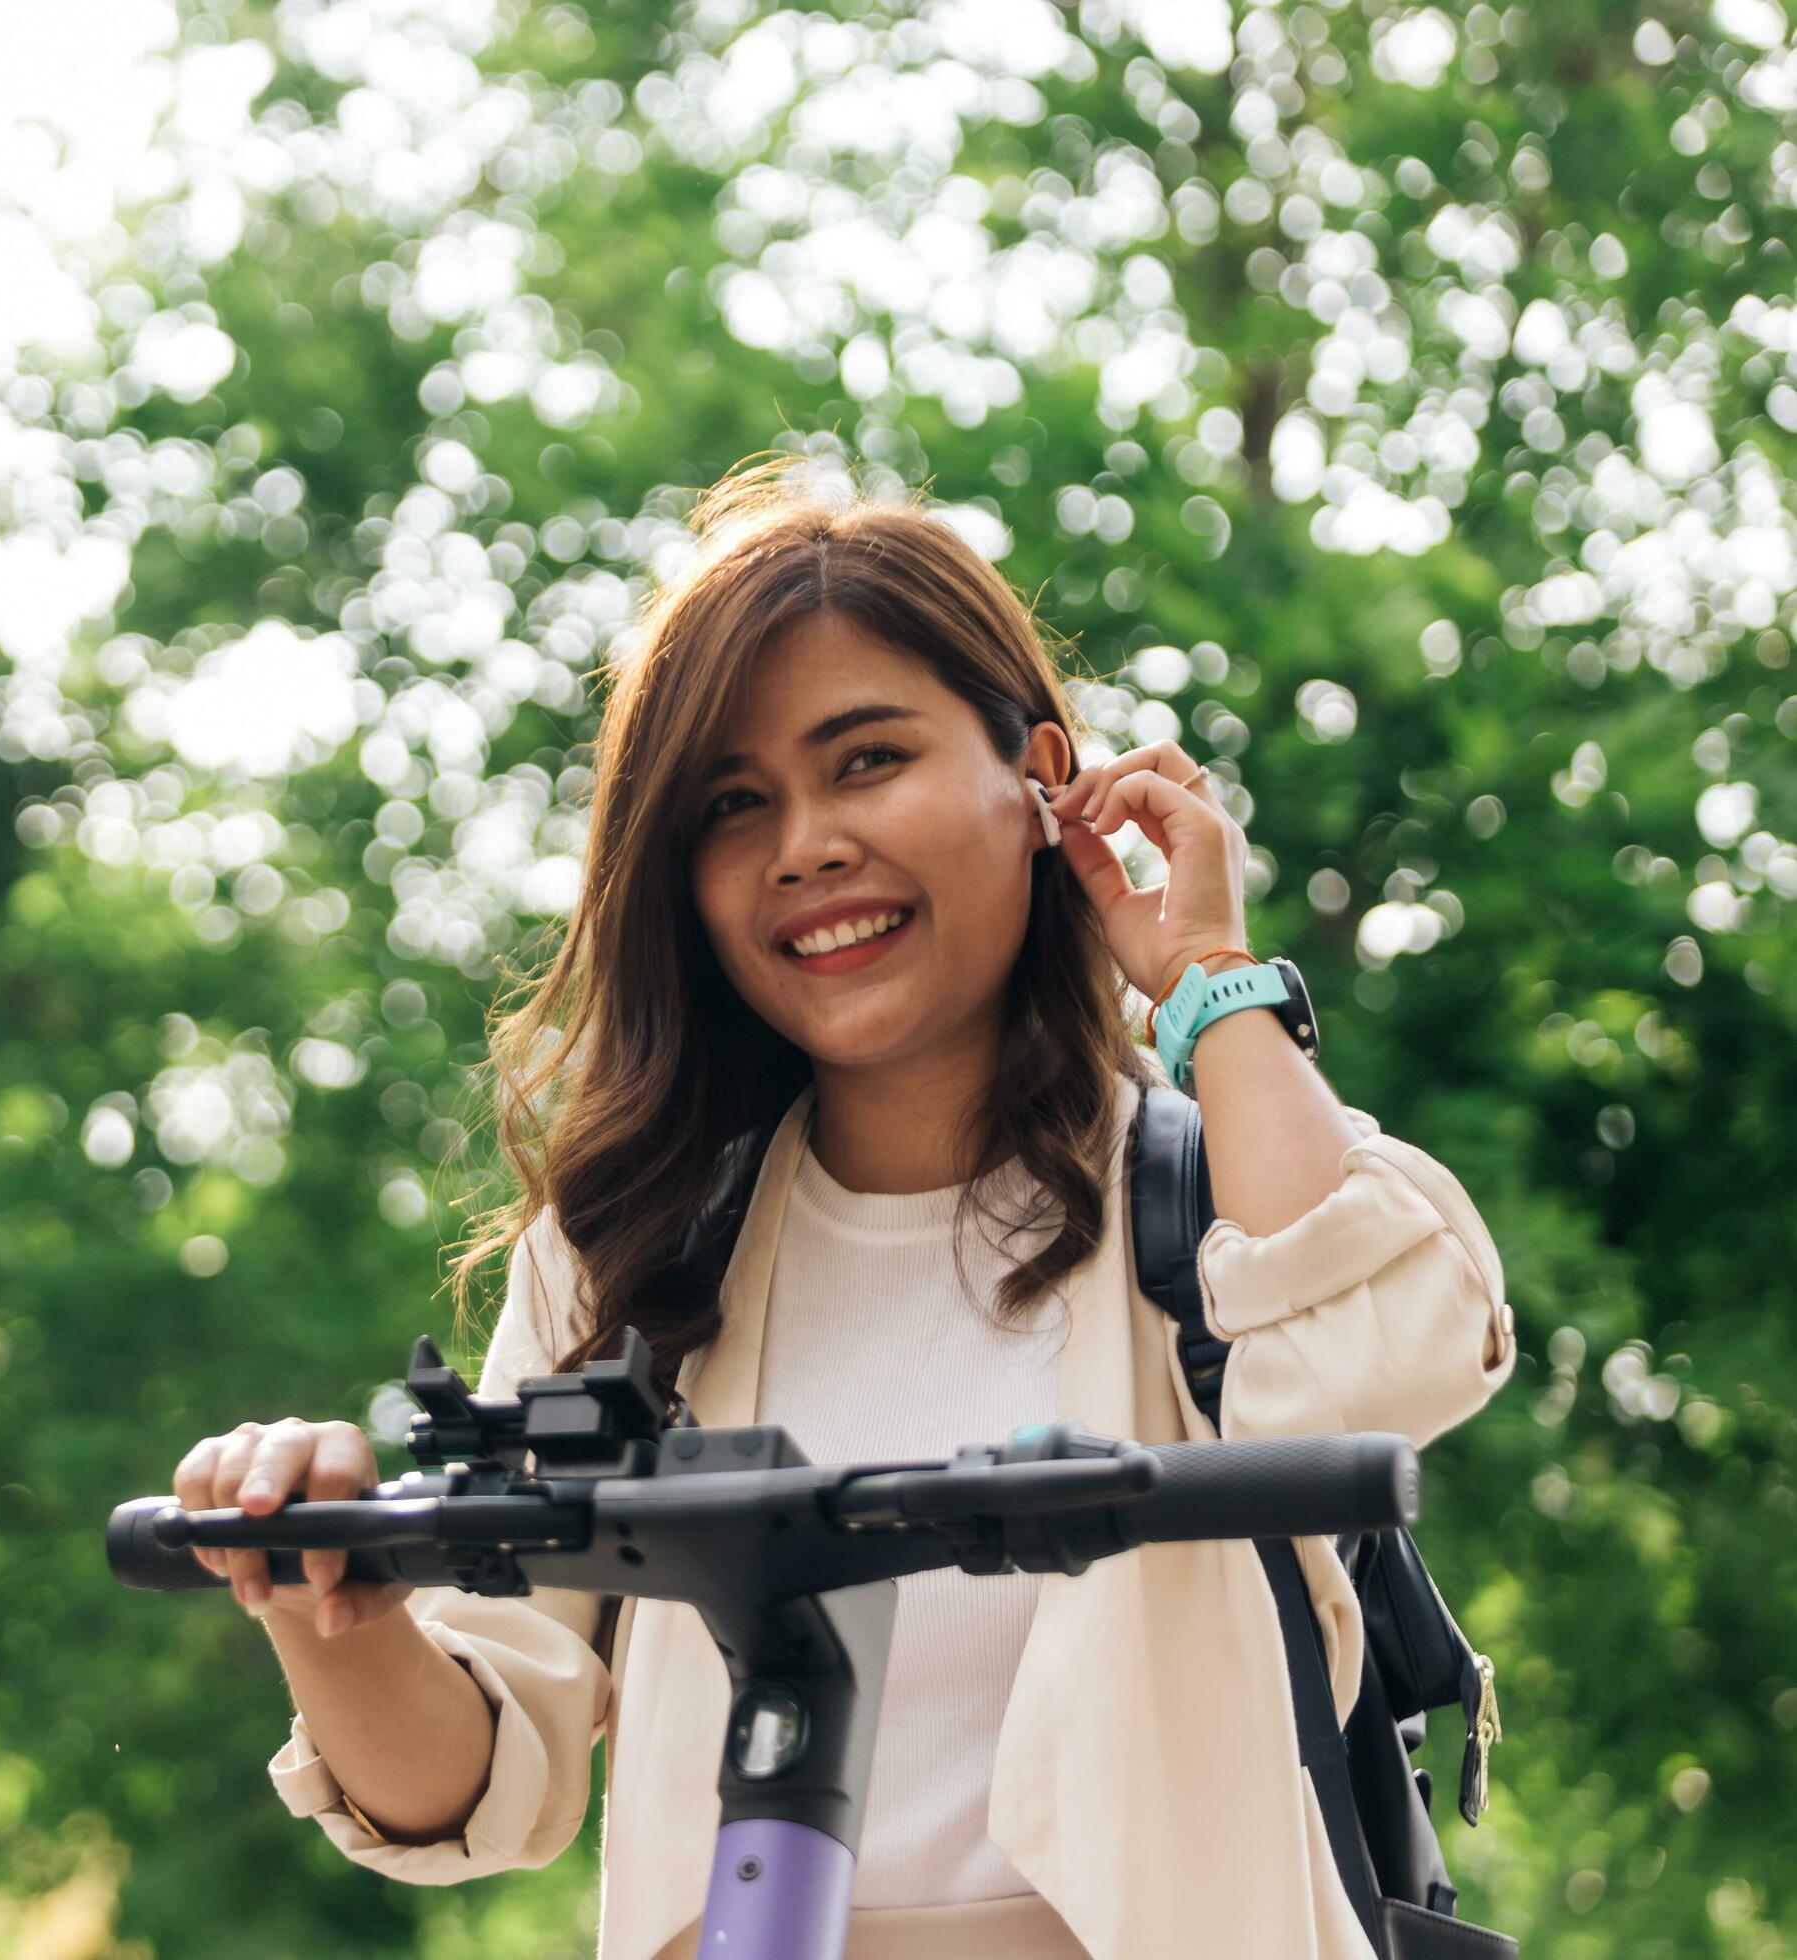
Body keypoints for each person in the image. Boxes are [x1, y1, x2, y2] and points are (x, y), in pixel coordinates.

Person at [172, 460, 1519, 1960]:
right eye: (733, 804)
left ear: (1041, 782)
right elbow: (486, 1777)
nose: (804, 842)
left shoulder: (1210, 1199)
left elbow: (1399, 1349)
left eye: (866, 760)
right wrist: (318, 1594)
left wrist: (1209, 986)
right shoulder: (629, 1258)